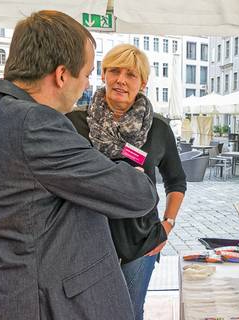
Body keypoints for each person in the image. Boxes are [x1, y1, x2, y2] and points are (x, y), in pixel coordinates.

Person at [0, 11, 158, 320]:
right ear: (62, 75)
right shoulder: (35, 124)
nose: (87, 83)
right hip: (38, 300)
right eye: (87, 73)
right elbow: (137, 194)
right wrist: (128, 171)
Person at [66, 44, 186, 320]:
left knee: (129, 312)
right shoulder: (74, 123)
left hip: (140, 241)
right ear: (104, 75)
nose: (121, 79)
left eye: (130, 74)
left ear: (143, 82)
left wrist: (168, 224)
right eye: (114, 71)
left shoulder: (158, 128)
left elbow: (177, 180)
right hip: (85, 240)